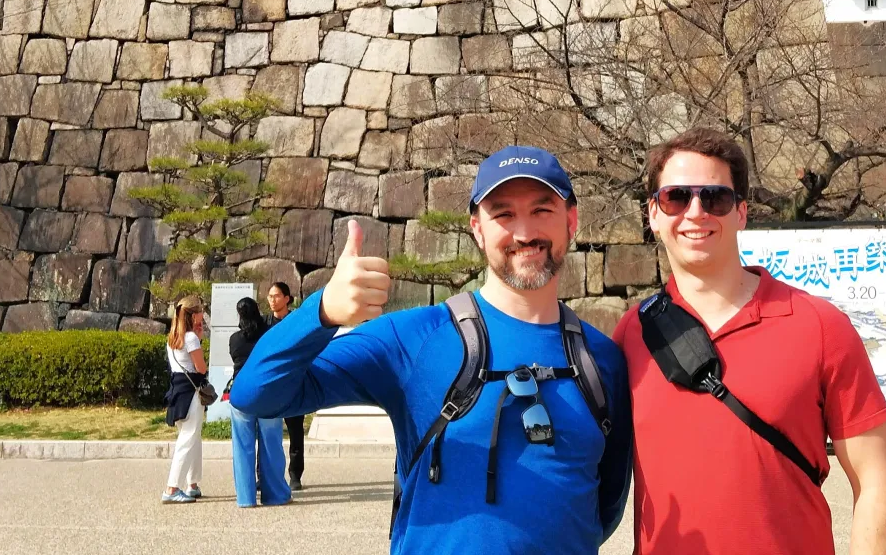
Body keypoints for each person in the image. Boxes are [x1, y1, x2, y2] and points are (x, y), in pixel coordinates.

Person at [232, 146, 632, 554]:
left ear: (572, 220)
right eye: (504, 214)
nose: (525, 232)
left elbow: (605, 503)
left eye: (542, 210)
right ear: (477, 228)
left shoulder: (602, 360)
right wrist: (320, 312)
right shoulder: (414, 340)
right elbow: (255, 394)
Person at [613, 127, 886, 555]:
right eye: (676, 197)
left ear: (742, 212)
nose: (696, 212)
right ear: (653, 214)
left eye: (715, 198)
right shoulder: (630, 335)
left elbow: (877, 482)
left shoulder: (820, 326)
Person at [229, 297, 291, 507]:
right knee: (271, 444)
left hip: (241, 391)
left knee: (242, 446)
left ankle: (245, 498)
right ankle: (276, 495)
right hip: (268, 391)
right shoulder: (270, 335)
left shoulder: (234, 339)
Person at [162, 295, 207, 504]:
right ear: (194, 314)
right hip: (191, 392)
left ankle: (192, 483)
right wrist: (198, 338)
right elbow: (201, 368)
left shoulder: (173, 337)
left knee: (191, 436)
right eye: (201, 311)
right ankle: (172, 488)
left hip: (178, 390)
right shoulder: (190, 338)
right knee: (188, 439)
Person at [263, 282, 305, 490]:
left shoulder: (296, 321)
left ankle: (295, 474)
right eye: (270, 296)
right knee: (266, 432)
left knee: (295, 432)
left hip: (293, 383)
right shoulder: (264, 323)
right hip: (271, 385)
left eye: (277, 296)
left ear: (287, 298)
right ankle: (264, 475)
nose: (272, 300)